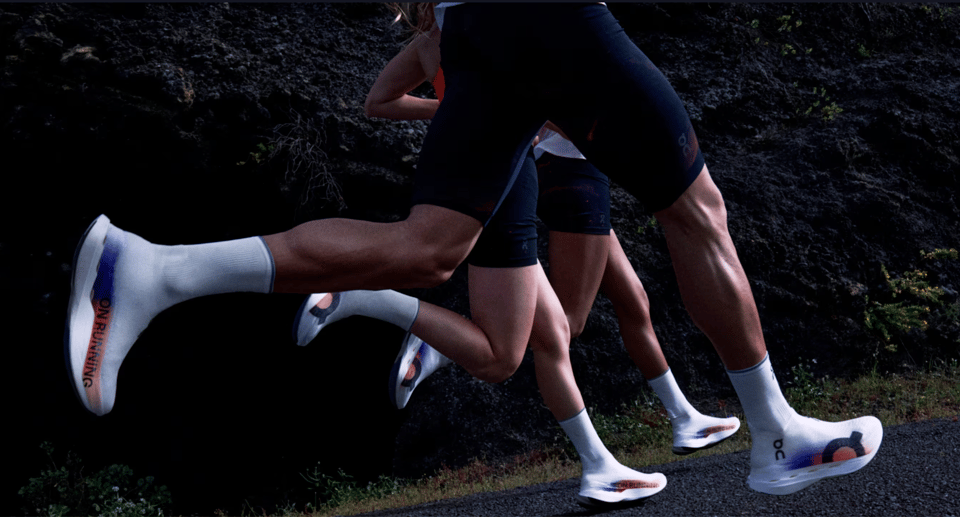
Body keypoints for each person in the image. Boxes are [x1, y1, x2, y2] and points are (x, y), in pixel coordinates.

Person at [64, 2, 881, 501]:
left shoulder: (436, 30)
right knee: (693, 210)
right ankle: (772, 431)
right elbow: (382, 101)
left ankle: (154, 270)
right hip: (548, 20)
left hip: (478, 26)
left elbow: (386, 100)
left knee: (429, 252)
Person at [294, 12, 741, 464]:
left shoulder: (447, 36)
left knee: (632, 300)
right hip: (571, 170)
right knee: (565, 325)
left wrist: (459, 114)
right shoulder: (508, 22)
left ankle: (681, 417)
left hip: (534, 166)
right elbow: (551, 94)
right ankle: (440, 342)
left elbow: (380, 101)